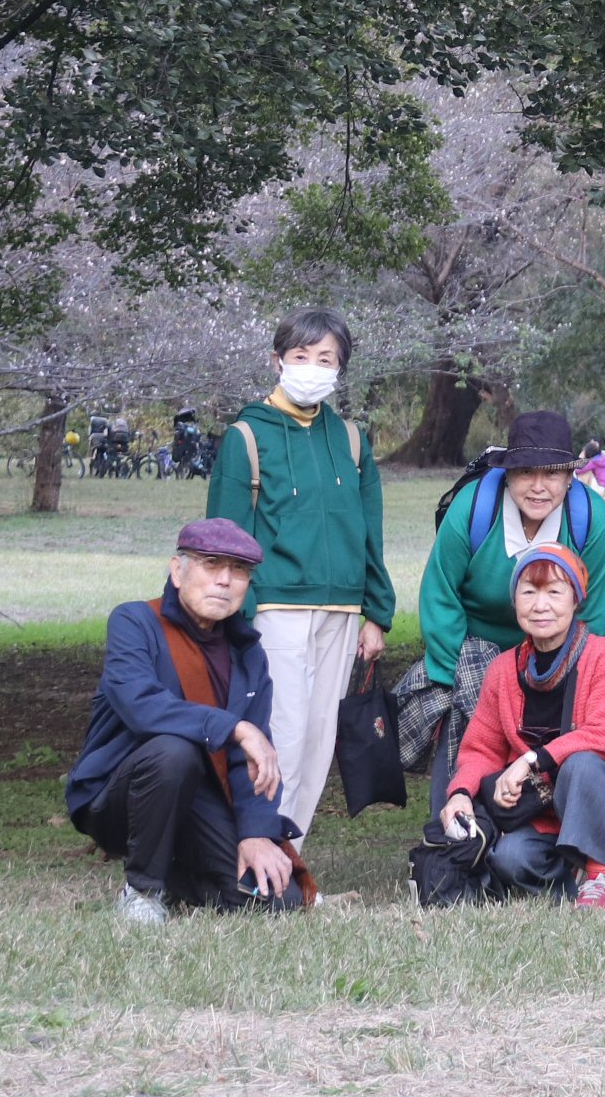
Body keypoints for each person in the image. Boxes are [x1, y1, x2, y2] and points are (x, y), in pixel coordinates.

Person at [208, 307, 393, 841]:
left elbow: (370, 530)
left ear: (340, 369)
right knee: (281, 735)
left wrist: (376, 612)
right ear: (278, 360)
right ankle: (255, 854)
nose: (312, 367)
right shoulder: (247, 436)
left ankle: (289, 856)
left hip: (342, 610)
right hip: (275, 608)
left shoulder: (351, 439)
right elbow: (224, 538)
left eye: (326, 359)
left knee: (318, 739)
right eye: (301, 355)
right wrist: (234, 617)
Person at [64, 519, 299, 923]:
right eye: (211, 564)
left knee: (276, 899)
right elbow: (141, 707)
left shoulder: (247, 654)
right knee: (175, 751)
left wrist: (255, 833)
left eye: (239, 570)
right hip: (120, 795)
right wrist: (235, 727)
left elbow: (251, 761)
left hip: (197, 803)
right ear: (177, 570)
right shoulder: (135, 622)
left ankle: (176, 875)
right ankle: (142, 890)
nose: (224, 580)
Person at [438, 543, 605, 909]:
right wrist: (459, 792)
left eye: (554, 592)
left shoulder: (604, 655)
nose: (540, 605)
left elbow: (602, 732)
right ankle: (573, 873)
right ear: (514, 601)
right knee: (508, 859)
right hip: (541, 810)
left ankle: (600, 877)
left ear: (576, 599)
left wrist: (530, 760)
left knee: (581, 762)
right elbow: (481, 748)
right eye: (529, 592)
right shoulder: (503, 670)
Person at [415, 410, 605, 788]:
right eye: (525, 472)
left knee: (553, 746)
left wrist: (570, 681)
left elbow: (594, 612)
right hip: (472, 650)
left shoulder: (590, 519)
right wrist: (458, 678)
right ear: (507, 474)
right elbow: (440, 595)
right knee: (470, 736)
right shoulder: (472, 508)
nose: (538, 486)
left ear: (570, 477)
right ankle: (452, 813)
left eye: (552, 474)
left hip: (555, 656)